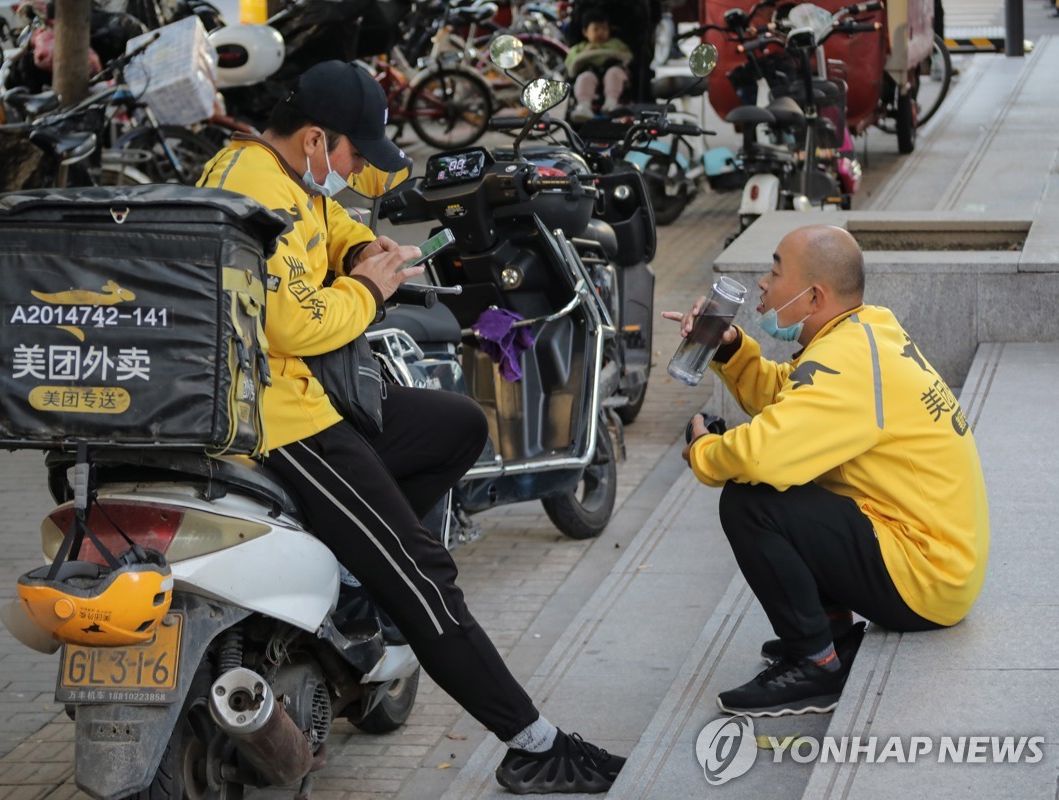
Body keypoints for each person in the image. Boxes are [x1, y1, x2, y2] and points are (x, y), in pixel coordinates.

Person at [197, 60, 627, 794]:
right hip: (280, 423)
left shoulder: (279, 174)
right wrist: (369, 288)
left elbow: (333, 226)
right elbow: (294, 323)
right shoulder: (251, 188)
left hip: (310, 401)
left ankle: (351, 581)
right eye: (353, 155)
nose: (357, 170)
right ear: (313, 139)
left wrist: (362, 251)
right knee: (423, 575)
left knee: (457, 425)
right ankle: (532, 743)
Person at [663, 224, 989, 718]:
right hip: (937, 560)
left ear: (813, 295)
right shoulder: (864, 330)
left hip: (927, 577)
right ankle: (833, 634)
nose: (763, 284)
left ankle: (815, 662)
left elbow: (758, 455)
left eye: (775, 270)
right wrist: (730, 348)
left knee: (752, 501)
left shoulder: (849, 362)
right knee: (790, 477)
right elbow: (794, 398)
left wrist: (704, 450)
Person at [565, 7, 634, 122]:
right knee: (584, 77)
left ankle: (611, 103)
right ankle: (583, 106)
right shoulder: (580, 48)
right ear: (585, 32)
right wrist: (585, 54)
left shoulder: (615, 44)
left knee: (614, 73)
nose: (601, 32)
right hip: (589, 72)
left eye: (604, 29)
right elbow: (570, 64)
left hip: (613, 72)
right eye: (596, 29)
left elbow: (627, 56)